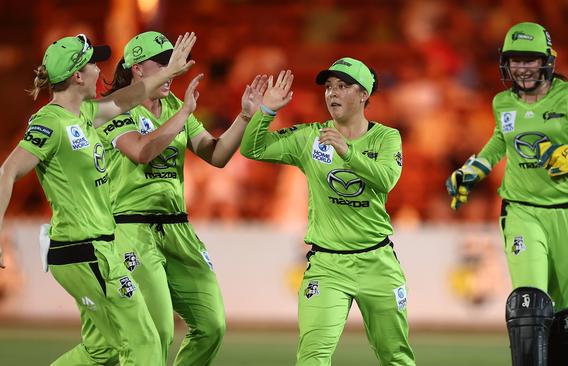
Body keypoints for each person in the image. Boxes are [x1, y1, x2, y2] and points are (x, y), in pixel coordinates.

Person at [0, 32, 196, 365]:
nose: (99, 70)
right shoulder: (51, 122)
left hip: (96, 249)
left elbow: (130, 97)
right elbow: (7, 172)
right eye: (93, 63)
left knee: (101, 350)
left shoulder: (86, 113)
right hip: (82, 249)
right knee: (144, 340)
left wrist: (168, 72)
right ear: (78, 75)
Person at [445, 22, 568, 366]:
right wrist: (474, 169)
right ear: (505, 63)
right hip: (522, 210)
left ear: (547, 61)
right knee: (531, 301)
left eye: (530, 59)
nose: (522, 67)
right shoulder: (502, 103)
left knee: (559, 311)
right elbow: (500, 141)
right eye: (515, 60)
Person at [95, 31, 268, 366]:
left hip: (177, 228)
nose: (172, 68)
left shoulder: (174, 106)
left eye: (173, 61)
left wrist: (245, 116)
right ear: (137, 69)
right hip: (132, 230)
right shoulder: (113, 107)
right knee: (156, 333)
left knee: (212, 325)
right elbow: (142, 152)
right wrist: (185, 112)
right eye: (161, 63)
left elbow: (215, 155)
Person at [240, 60, 416, 366]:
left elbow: (386, 179)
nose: (332, 93)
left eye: (343, 86)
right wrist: (266, 112)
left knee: (395, 357)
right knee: (312, 357)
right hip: (327, 266)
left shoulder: (387, 138)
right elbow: (252, 149)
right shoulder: (311, 137)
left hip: (378, 263)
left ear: (363, 95)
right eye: (329, 87)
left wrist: (347, 151)